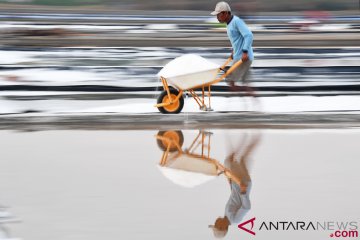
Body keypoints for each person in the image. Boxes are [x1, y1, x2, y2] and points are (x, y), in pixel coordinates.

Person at [211, 1, 256, 97]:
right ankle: (253, 104)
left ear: (225, 13)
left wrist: (244, 52)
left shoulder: (236, 21)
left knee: (230, 81)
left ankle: (238, 102)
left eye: (218, 15)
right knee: (246, 84)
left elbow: (249, 35)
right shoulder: (229, 23)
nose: (217, 17)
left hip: (243, 58)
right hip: (239, 56)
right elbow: (237, 39)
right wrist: (233, 51)